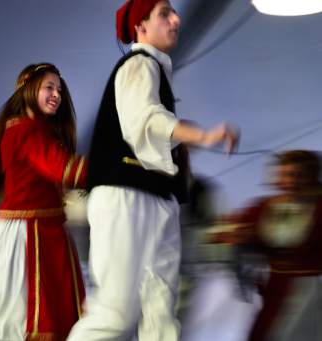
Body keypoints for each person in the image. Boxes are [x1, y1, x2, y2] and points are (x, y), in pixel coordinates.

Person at [67, 1, 238, 340]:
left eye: (175, 12)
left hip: (156, 197)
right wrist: (201, 135)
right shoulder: (139, 64)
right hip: (128, 195)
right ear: (140, 27)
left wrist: (185, 135)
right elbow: (143, 120)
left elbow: (151, 121)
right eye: (164, 13)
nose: (175, 19)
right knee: (115, 315)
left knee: (159, 312)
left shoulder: (155, 70)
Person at [0, 63, 86, 341]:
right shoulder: (24, 130)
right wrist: (120, 168)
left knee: (42, 320)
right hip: (26, 237)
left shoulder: (34, 130)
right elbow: (64, 169)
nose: (56, 94)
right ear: (28, 89)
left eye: (59, 89)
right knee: (19, 322)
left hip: (44, 233)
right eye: (49, 87)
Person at [212, 150, 322, 341]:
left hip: (310, 287)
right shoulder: (264, 206)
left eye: (295, 175)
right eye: (284, 174)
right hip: (274, 287)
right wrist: (236, 235)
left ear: (310, 176)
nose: (289, 181)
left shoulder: (319, 207)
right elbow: (225, 232)